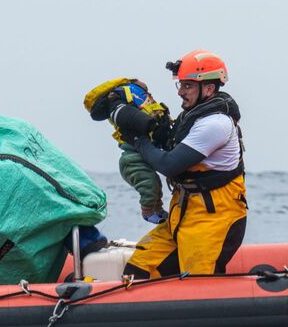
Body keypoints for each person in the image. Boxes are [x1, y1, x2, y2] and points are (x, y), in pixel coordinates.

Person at [119, 50, 247, 278]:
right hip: (185, 214)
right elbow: (166, 142)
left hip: (214, 220)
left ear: (208, 88)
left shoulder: (215, 124)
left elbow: (169, 165)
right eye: (180, 85)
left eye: (187, 86)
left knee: (197, 284)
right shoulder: (191, 119)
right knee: (137, 270)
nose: (180, 92)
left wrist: (138, 141)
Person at [84, 78, 172, 223]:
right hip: (132, 158)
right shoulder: (117, 100)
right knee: (148, 184)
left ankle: (158, 208)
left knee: (156, 184)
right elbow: (125, 115)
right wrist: (148, 124)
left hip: (146, 152)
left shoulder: (139, 99)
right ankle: (148, 212)